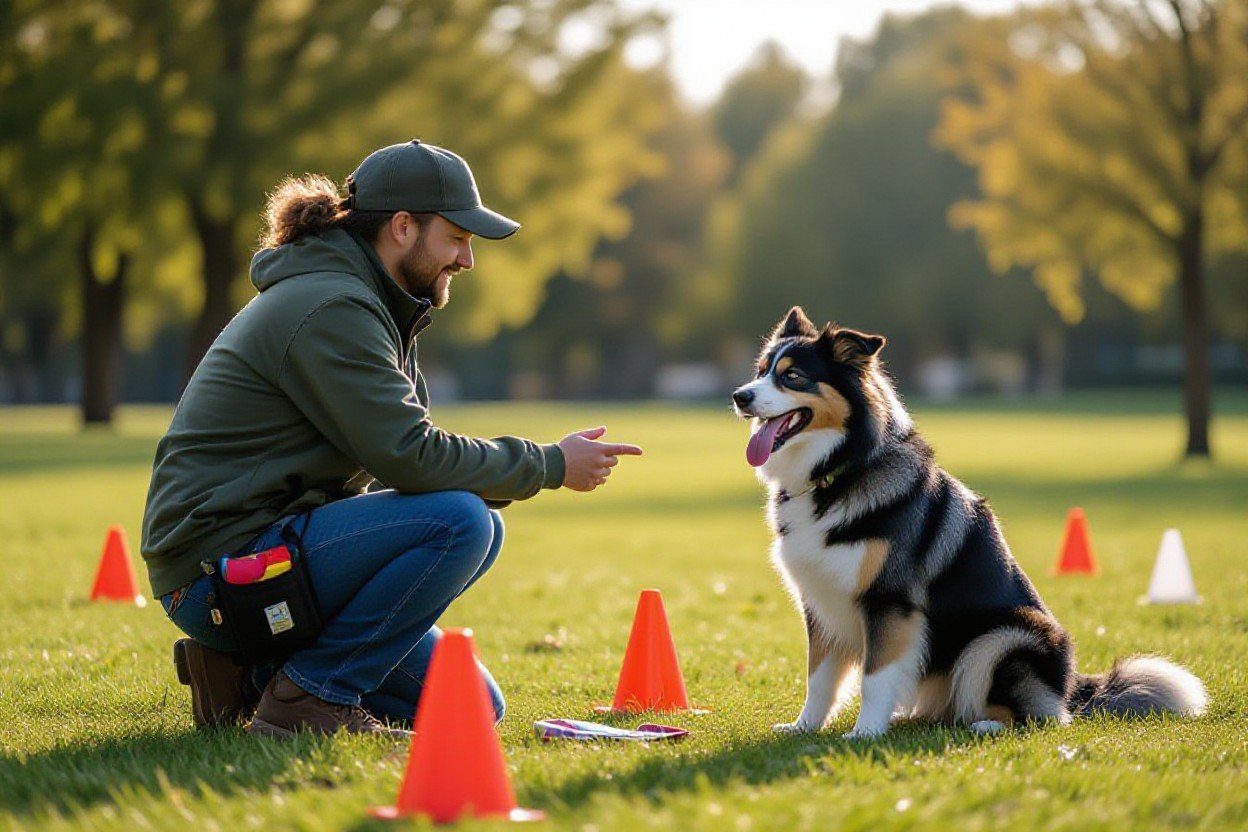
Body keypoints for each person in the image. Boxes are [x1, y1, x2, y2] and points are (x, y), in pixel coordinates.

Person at [142, 140, 642, 737]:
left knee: (473, 708)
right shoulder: (331, 306)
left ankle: (246, 670)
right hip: (221, 571)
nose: (467, 259)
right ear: (403, 227)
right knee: (461, 520)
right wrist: (549, 464)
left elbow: (399, 463)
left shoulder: (364, 302)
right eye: (457, 238)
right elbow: (411, 457)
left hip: (265, 557)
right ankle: (306, 699)